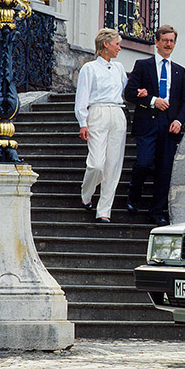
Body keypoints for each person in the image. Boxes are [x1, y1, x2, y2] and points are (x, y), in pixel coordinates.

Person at [124, 24, 185, 226]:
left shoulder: (180, 71)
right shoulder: (142, 65)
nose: (168, 44)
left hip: (169, 126)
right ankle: (133, 195)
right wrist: (153, 100)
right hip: (147, 124)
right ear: (157, 42)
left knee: (164, 170)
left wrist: (179, 121)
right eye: (165, 40)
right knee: (144, 163)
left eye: (171, 41)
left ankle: (157, 211)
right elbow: (129, 93)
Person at [75, 29, 129, 223]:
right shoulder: (89, 68)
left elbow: (126, 89)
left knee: (113, 165)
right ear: (106, 44)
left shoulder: (119, 68)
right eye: (117, 44)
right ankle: (86, 195)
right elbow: (81, 97)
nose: (119, 48)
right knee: (97, 163)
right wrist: (83, 122)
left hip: (117, 113)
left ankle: (104, 210)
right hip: (97, 113)